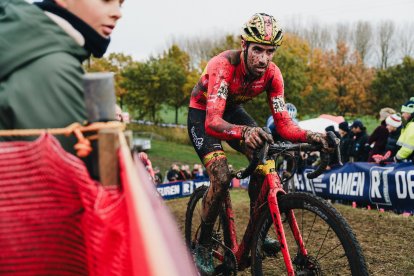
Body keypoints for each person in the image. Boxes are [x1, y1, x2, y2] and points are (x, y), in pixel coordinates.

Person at [187, 13, 331, 275]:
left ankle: (258, 226)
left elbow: (285, 125)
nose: (263, 59)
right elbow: (213, 122)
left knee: (265, 155)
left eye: (269, 51)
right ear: (244, 46)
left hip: (231, 111)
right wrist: (244, 133)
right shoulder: (223, 66)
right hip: (204, 114)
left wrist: (312, 136)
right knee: (220, 176)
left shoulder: (273, 75)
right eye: (257, 50)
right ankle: (204, 243)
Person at [0, 0, 123, 154]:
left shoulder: (23, 42)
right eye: (106, 0)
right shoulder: (54, 70)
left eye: (120, 3)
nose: (118, 13)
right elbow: (69, 171)